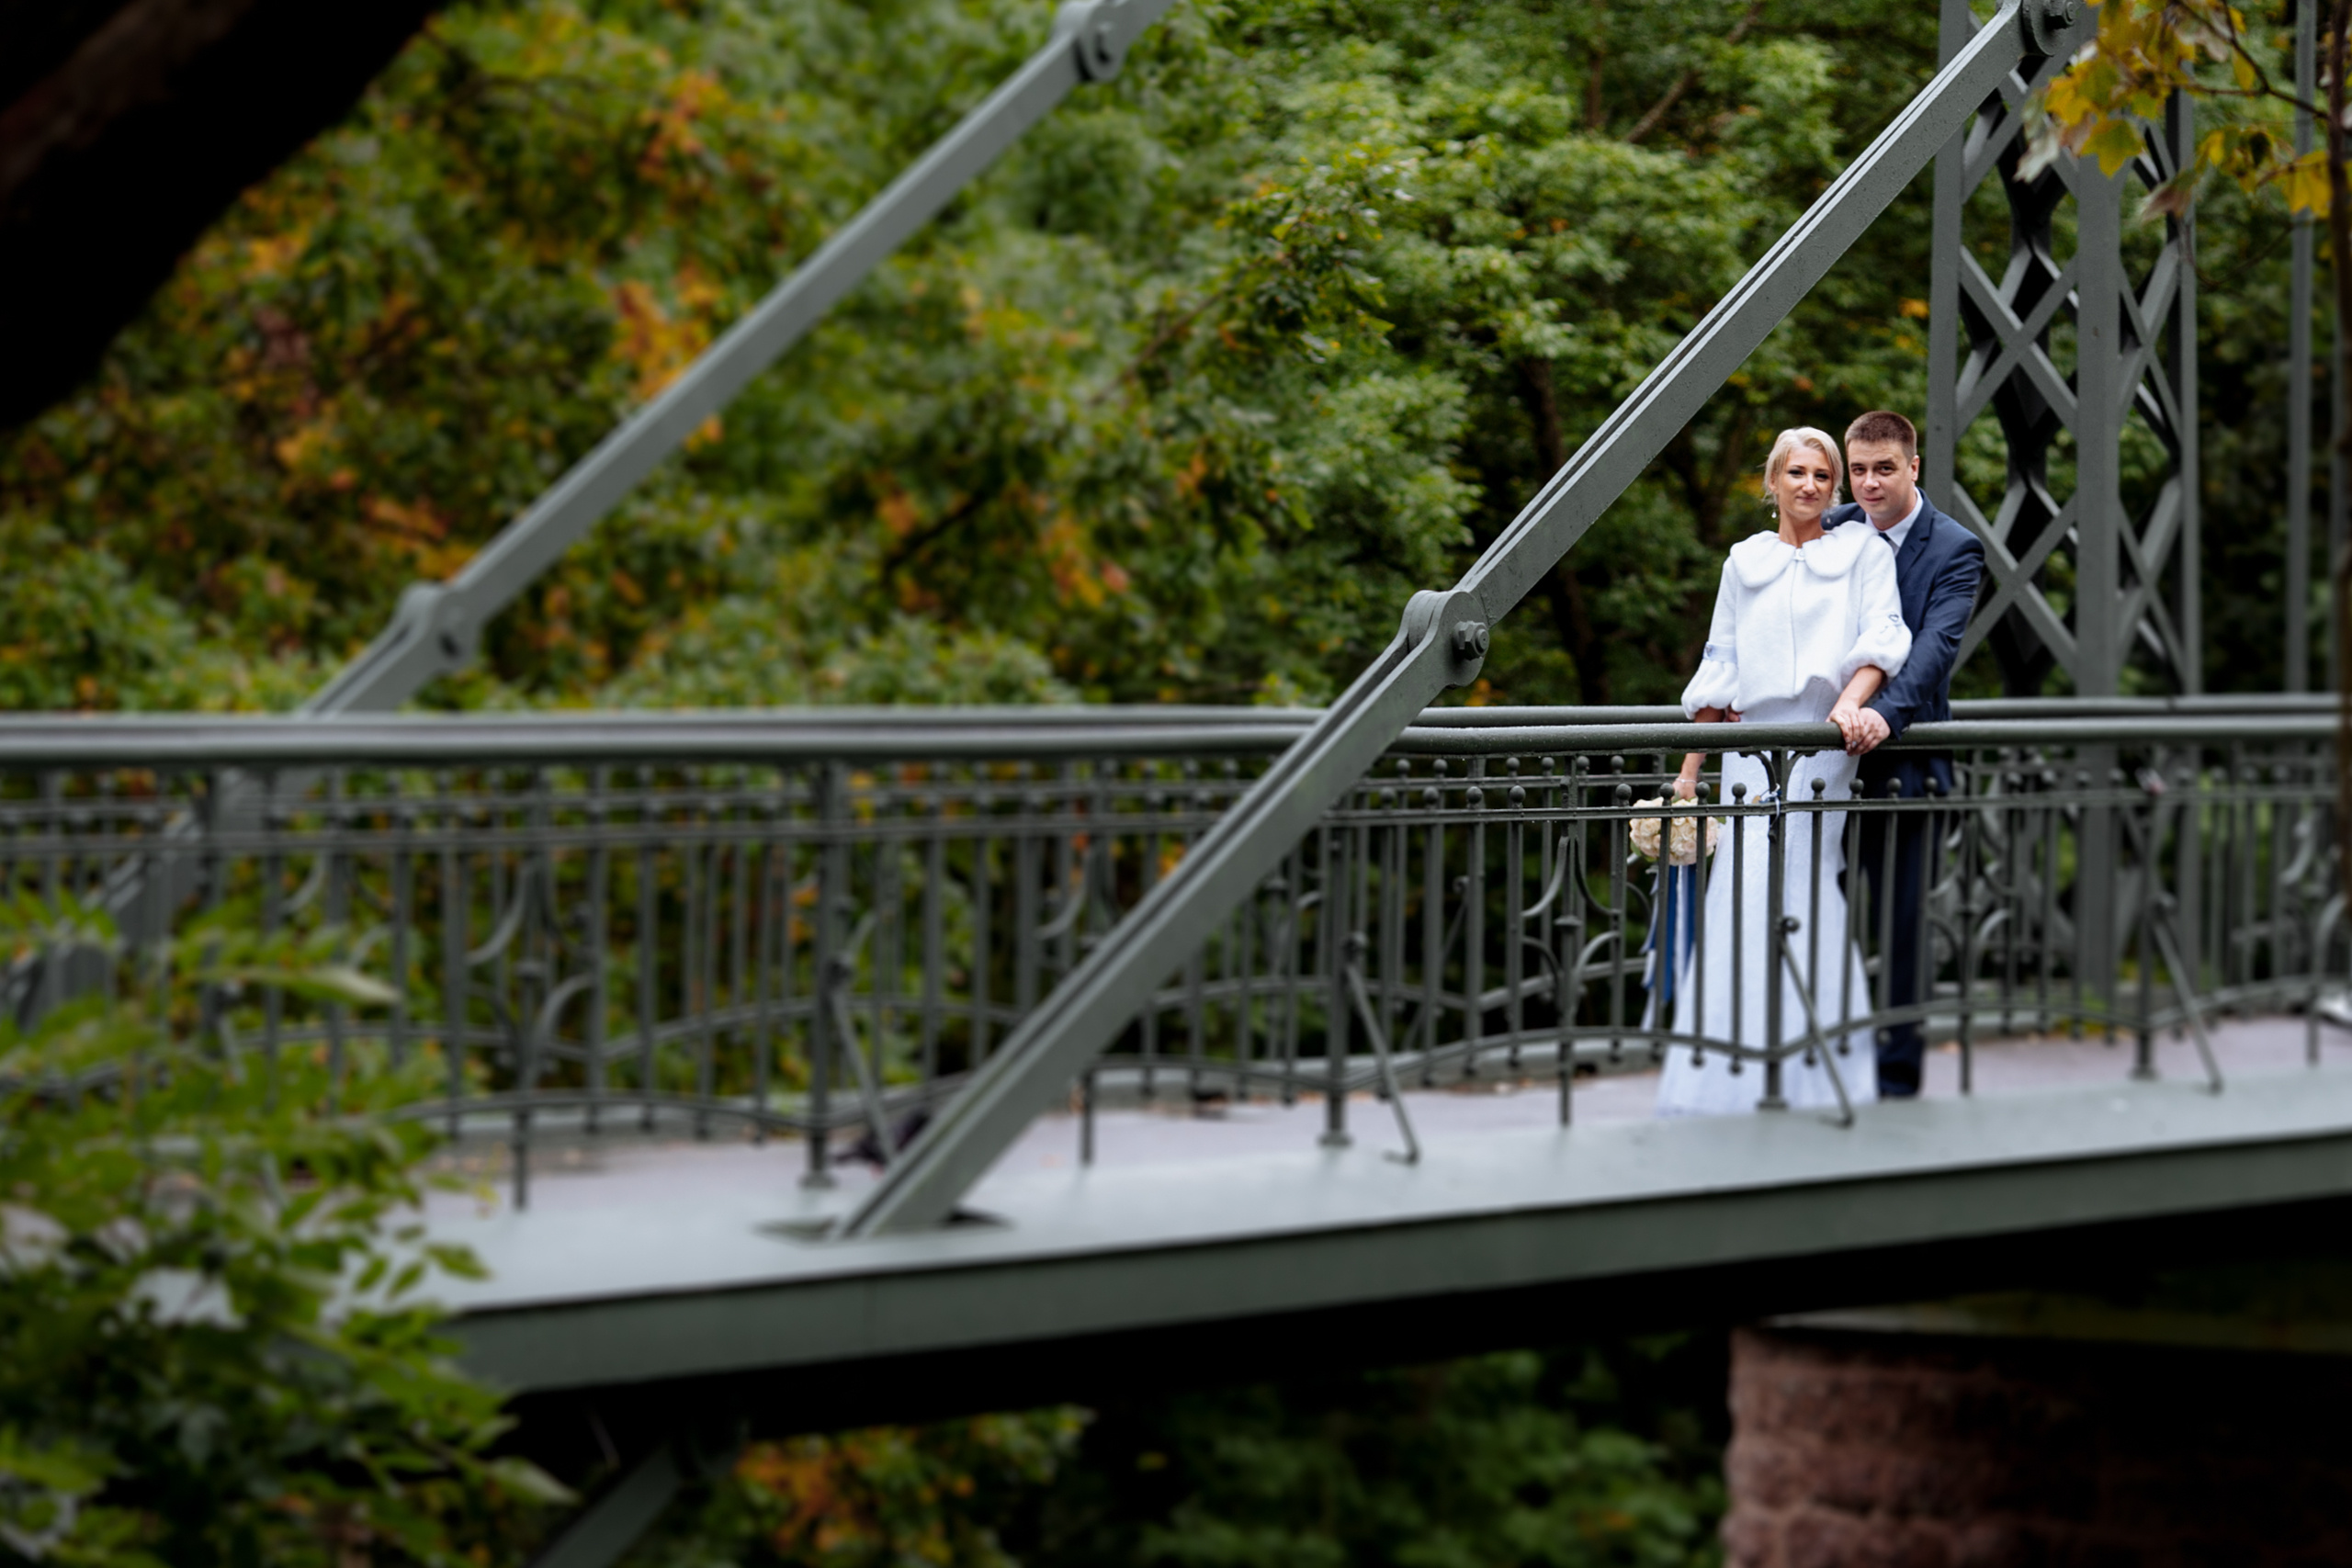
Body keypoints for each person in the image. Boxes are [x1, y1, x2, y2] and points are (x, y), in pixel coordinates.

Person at [1654, 427, 1910, 1116]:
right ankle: (1727, 1076)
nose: (1809, 486)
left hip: (1823, 747)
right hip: (1749, 750)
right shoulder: (1743, 562)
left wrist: (1847, 710)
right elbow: (1721, 667)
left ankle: (1816, 1073)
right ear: (1772, 481)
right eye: (1796, 472)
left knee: (1804, 889)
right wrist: (1687, 775)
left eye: (1823, 476)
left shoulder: (1862, 550)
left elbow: (1883, 639)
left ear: (1834, 487)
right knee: (1739, 892)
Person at [1822, 411, 1985, 1098]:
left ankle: (1894, 1080)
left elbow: (1933, 655)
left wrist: (1877, 719)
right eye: (1858, 469)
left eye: (1883, 468)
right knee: (1815, 913)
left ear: (1913, 467)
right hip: (1823, 765)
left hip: (1906, 767)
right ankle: (1821, 1057)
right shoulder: (1832, 529)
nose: (1868, 483)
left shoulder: (1955, 549)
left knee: (1901, 927)